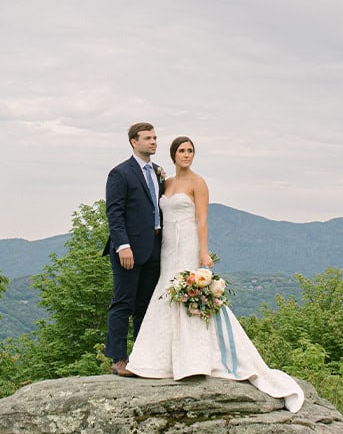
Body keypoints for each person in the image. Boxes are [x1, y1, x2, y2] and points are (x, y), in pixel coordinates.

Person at [125, 137, 305, 412]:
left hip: (189, 245)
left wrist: (204, 253)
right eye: (182, 151)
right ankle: (159, 361)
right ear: (173, 155)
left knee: (188, 295)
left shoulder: (198, 183)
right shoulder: (167, 183)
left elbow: (202, 219)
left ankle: (195, 360)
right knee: (166, 293)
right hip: (168, 248)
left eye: (190, 151)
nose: (187, 155)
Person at [102, 122, 165, 376]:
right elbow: (114, 212)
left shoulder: (157, 172)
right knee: (123, 303)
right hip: (128, 249)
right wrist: (123, 246)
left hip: (154, 247)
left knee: (145, 306)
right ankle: (118, 359)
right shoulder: (120, 173)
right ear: (133, 142)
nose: (153, 142)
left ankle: (141, 358)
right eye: (148, 138)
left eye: (155, 137)